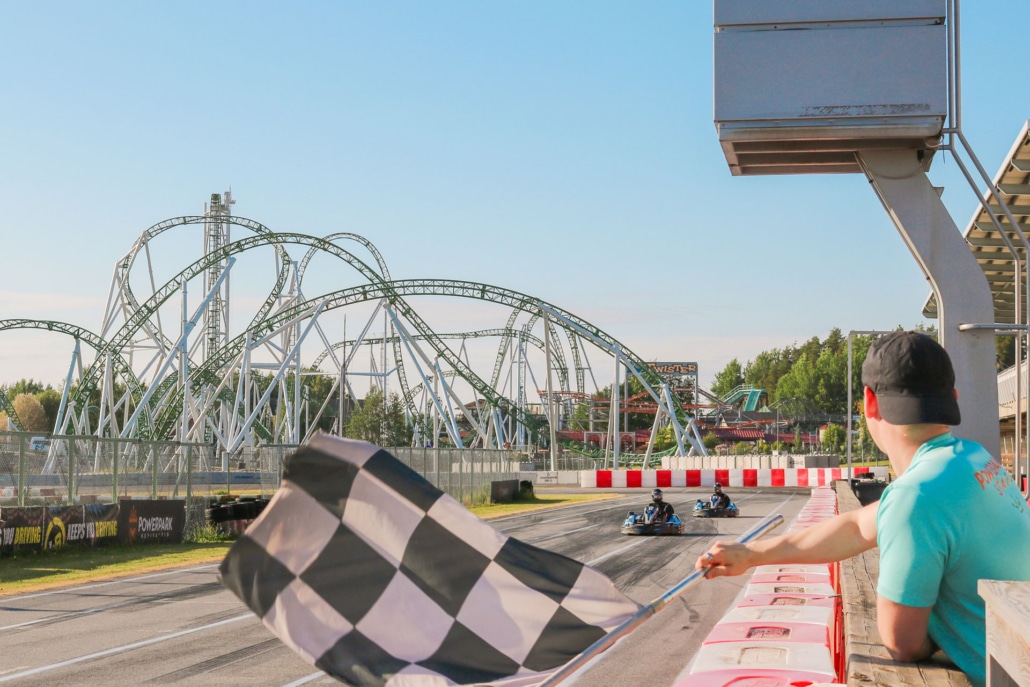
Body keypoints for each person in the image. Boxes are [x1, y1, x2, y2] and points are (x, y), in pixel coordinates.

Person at [695, 331, 1030, 687]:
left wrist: (941, 630)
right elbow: (858, 526)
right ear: (954, 399)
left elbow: (902, 644)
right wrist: (751, 554)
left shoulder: (916, 496)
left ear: (870, 403)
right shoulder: (973, 458)